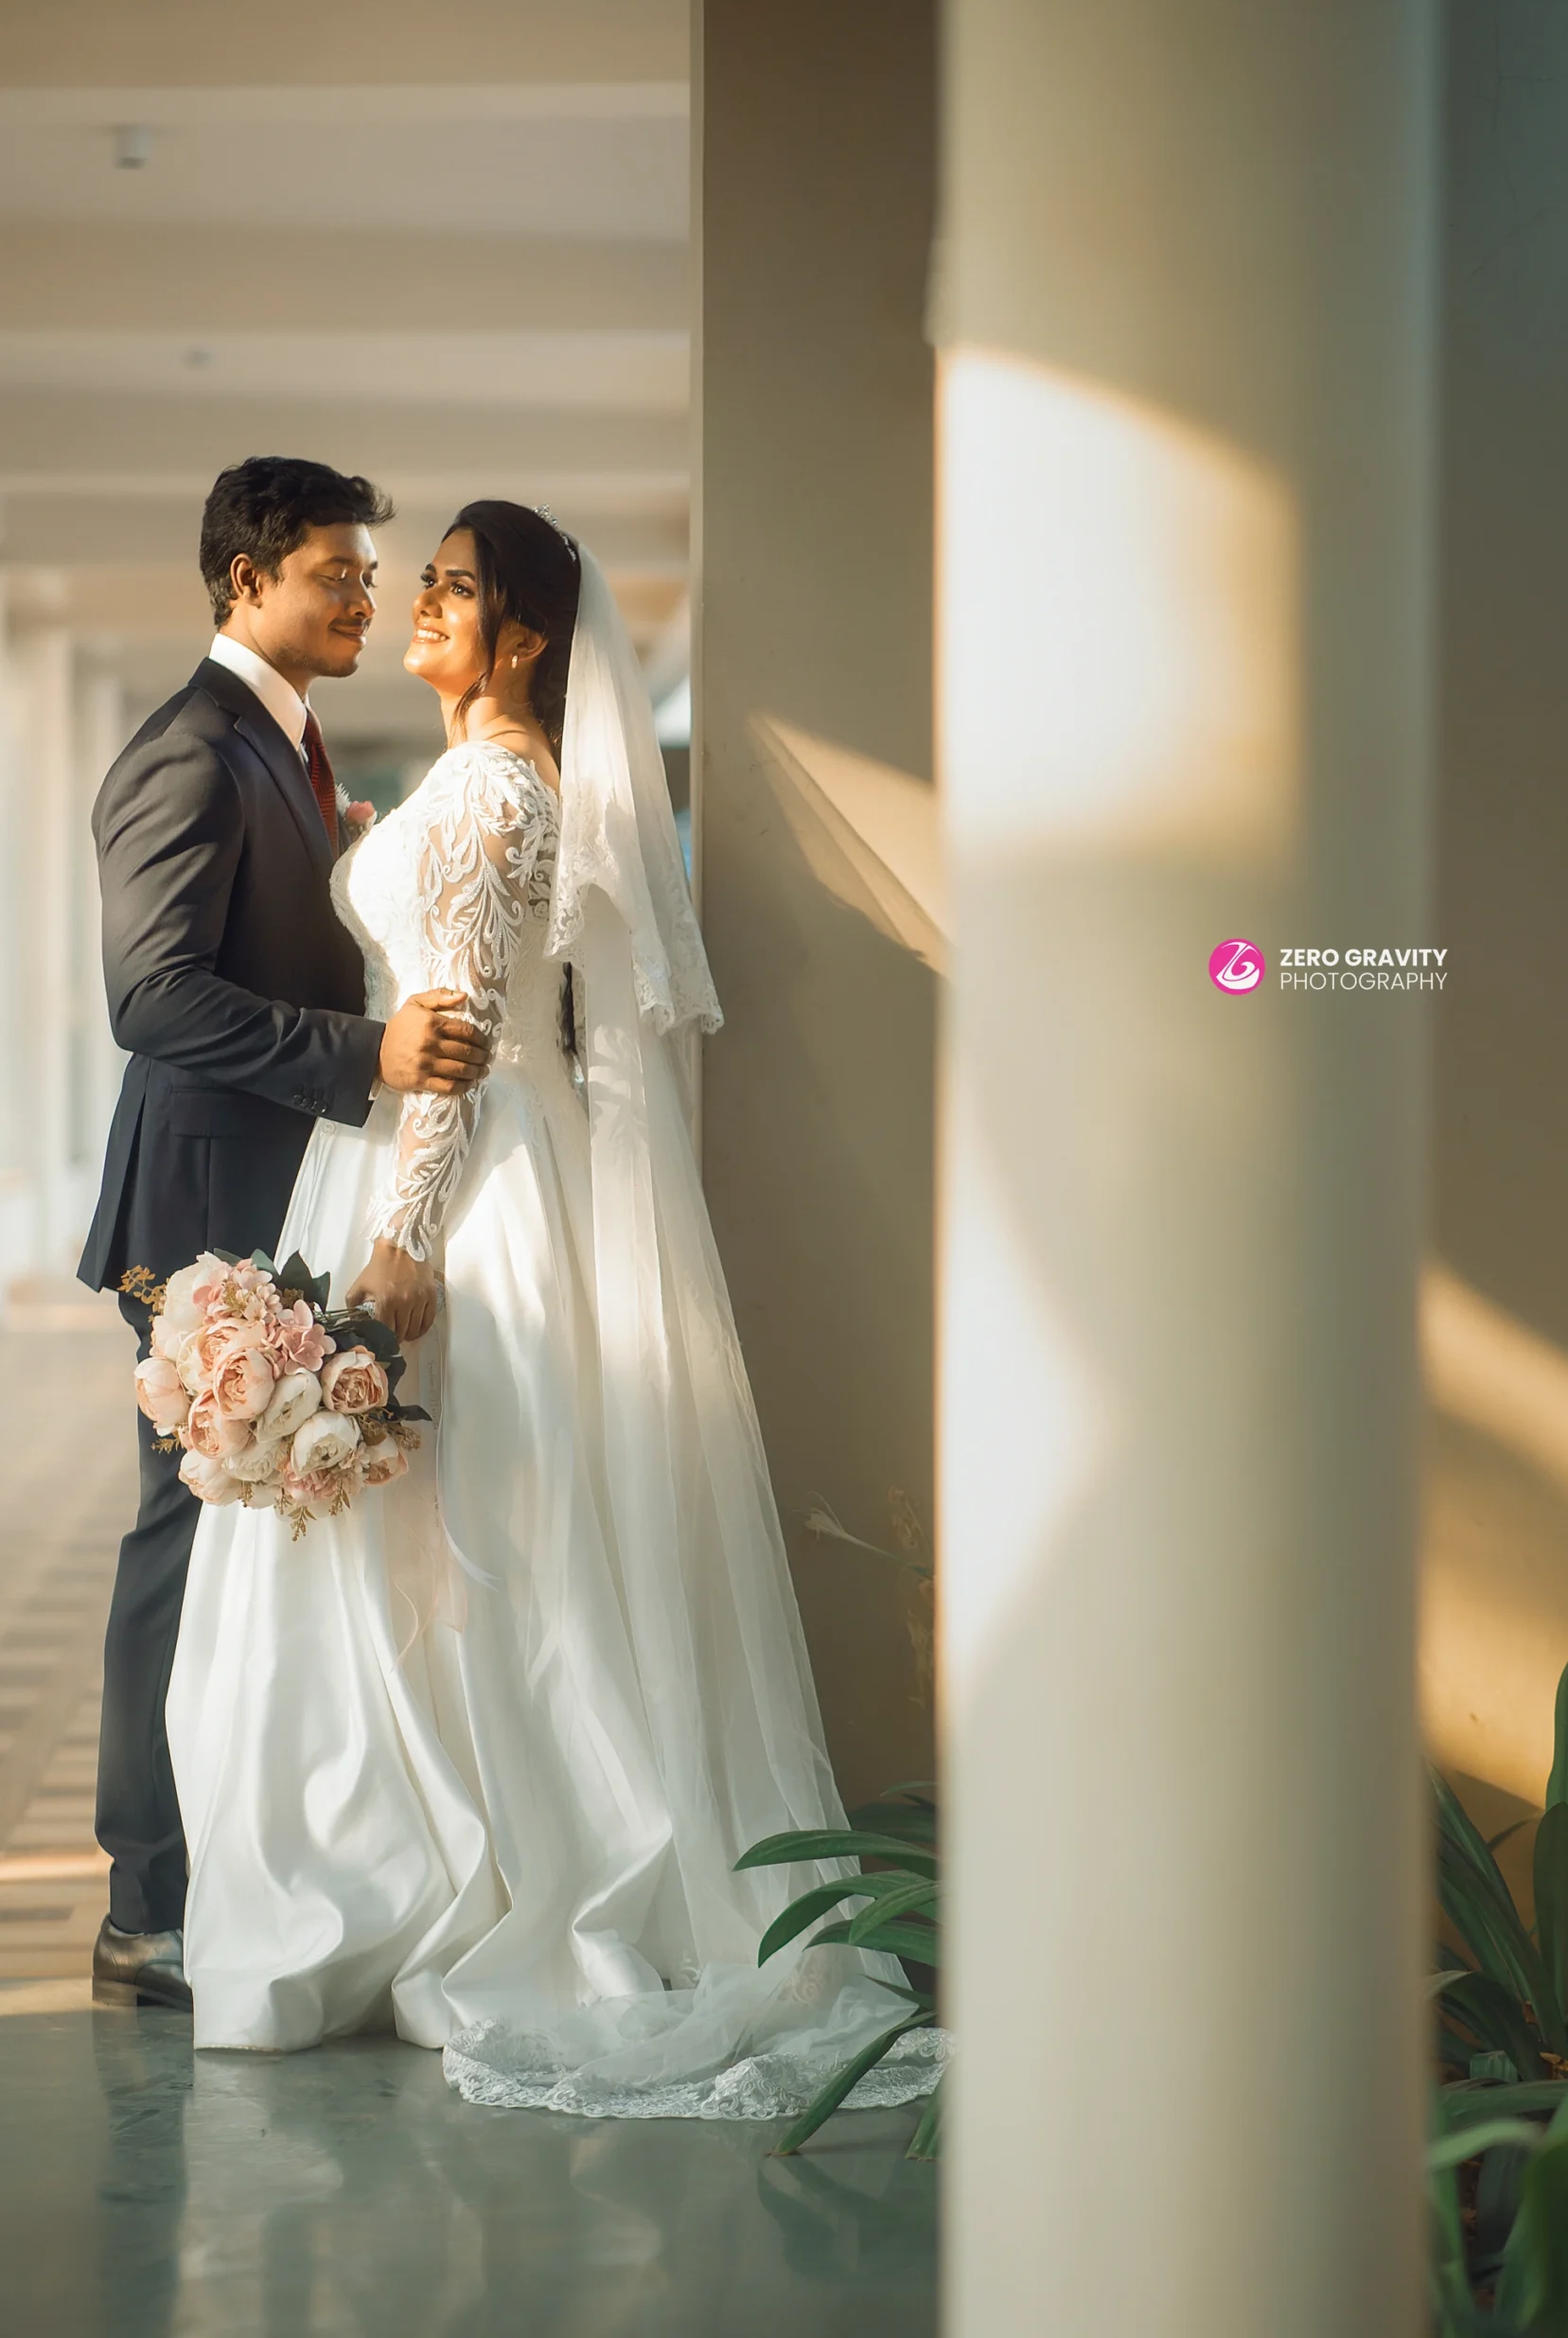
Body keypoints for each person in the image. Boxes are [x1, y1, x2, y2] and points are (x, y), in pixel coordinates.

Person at [165, 502, 942, 2121]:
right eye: (427, 581)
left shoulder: (494, 792)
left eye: (453, 588)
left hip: (451, 1189)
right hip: (472, 1161)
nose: (420, 605)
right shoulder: (493, 785)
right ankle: (469, 1859)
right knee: (463, 1547)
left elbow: (454, 1033)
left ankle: (461, 1879)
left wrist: (402, 1244)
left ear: (523, 636)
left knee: (461, 1544)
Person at [79, 457, 492, 2010]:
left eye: (373, 576)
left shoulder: (284, 742)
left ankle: (245, 1864)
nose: (367, 599)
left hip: (269, 1187)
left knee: (246, 1547)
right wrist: (364, 1052)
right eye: (337, 573)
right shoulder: (190, 747)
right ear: (247, 579)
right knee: (182, 1542)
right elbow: (153, 996)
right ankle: (146, 1910)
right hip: (197, 1206)